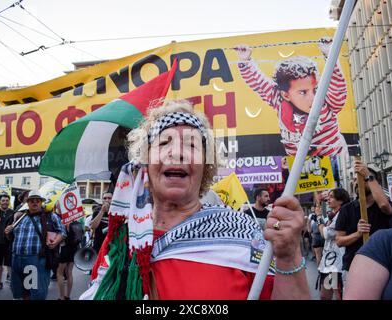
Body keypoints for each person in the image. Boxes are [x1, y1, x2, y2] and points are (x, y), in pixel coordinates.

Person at [81, 100, 309, 300]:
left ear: (205, 167)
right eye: (164, 143)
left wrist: (288, 257)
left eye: (191, 145)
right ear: (145, 162)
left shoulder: (241, 233)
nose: (178, 153)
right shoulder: (120, 240)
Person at [234, 37, 348, 157]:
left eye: (315, 89)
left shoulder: (325, 102)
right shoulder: (279, 100)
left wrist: (329, 54)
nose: (313, 97)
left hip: (335, 161)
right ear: (286, 95)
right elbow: (258, 82)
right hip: (299, 166)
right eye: (303, 92)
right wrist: (245, 60)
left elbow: (338, 87)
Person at [335, 160, 392, 288]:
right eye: (354, 179)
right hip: (354, 266)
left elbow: (384, 206)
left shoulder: (382, 205)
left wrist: (368, 175)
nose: (356, 182)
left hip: (382, 265)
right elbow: (339, 240)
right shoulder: (346, 209)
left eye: (362, 178)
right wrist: (357, 234)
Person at [4, 190, 66, 300]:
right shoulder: (21, 217)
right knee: (22, 292)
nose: (35, 203)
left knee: (37, 294)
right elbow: (13, 237)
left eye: (38, 201)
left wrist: (56, 241)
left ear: (41, 202)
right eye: (32, 201)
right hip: (17, 259)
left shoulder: (50, 216)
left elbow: (62, 232)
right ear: (27, 203)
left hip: (35, 259)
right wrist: (8, 232)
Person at [344, 211, 392, 299]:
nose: (329, 200)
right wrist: (357, 234)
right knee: (329, 290)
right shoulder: (386, 240)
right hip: (337, 264)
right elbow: (338, 240)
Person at [315, 188, 350, 300]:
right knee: (325, 296)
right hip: (329, 262)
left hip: (336, 264)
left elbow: (325, 233)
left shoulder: (342, 215)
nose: (328, 200)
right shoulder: (334, 215)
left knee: (337, 294)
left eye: (331, 197)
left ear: (340, 200)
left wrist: (319, 217)